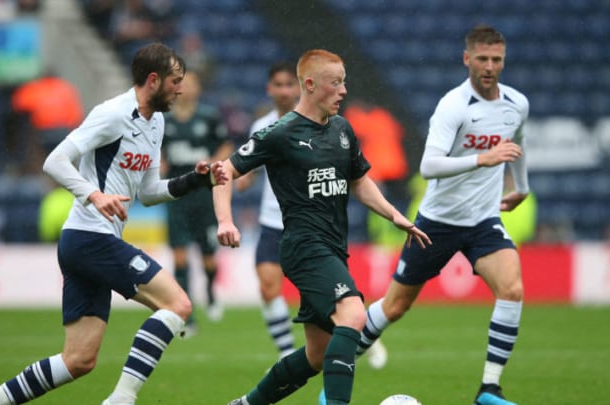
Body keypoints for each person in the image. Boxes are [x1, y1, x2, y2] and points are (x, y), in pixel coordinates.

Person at [0, 42, 227, 405]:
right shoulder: (113, 113)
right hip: (90, 236)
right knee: (179, 304)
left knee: (78, 361)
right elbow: (55, 161)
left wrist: (195, 180)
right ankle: (121, 399)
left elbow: (148, 192)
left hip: (86, 243)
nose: (180, 89)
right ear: (153, 80)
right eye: (175, 81)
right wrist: (93, 195)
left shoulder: (157, 122)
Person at [214, 49, 430, 405]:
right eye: (336, 82)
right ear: (311, 85)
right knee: (354, 314)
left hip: (332, 247)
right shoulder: (279, 133)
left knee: (317, 354)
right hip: (303, 246)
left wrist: (395, 215)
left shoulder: (343, 129)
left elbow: (359, 181)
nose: (344, 90)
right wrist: (225, 219)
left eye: (344, 81)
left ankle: (246, 404)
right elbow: (224, 172)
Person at [356, 25, 530, 405]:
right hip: (436, 222)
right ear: (467, 59)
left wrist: (522, 186)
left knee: (512, 289)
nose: (489, 66)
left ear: (503, 60)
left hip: (483, 220)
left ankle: (489, 389)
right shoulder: (453, 106)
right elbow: (430, 165)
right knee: (395, 307)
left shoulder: (516, 103)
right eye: (482, 58)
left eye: (496, 59)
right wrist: (482, 159)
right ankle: (335, 379)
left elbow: (519, 140)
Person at [233, 61, 301, 360]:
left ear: (300, 87)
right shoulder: (261, 127)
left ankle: (357, 332)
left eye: (290, 84)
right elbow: (250, 167)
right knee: (269, 287)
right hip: (273, 221)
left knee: (324, 295)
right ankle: (287, 355)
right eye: (279, 85)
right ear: (269, 89)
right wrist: (242, 179)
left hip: (308, 222)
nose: (285, 90)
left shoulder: (315, 122)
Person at [162, 70, 232, 333]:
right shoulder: (164, 120)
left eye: (192, 83)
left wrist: (215, 163)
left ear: (199, 89)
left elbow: (226, 146)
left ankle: (212, 290)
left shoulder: (209, 117)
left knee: (207, 258)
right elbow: (156, 151)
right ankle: (187, 315)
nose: (186, 88)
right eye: (182, 83)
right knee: (179, 257)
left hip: (204, 195)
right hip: (176, 194)